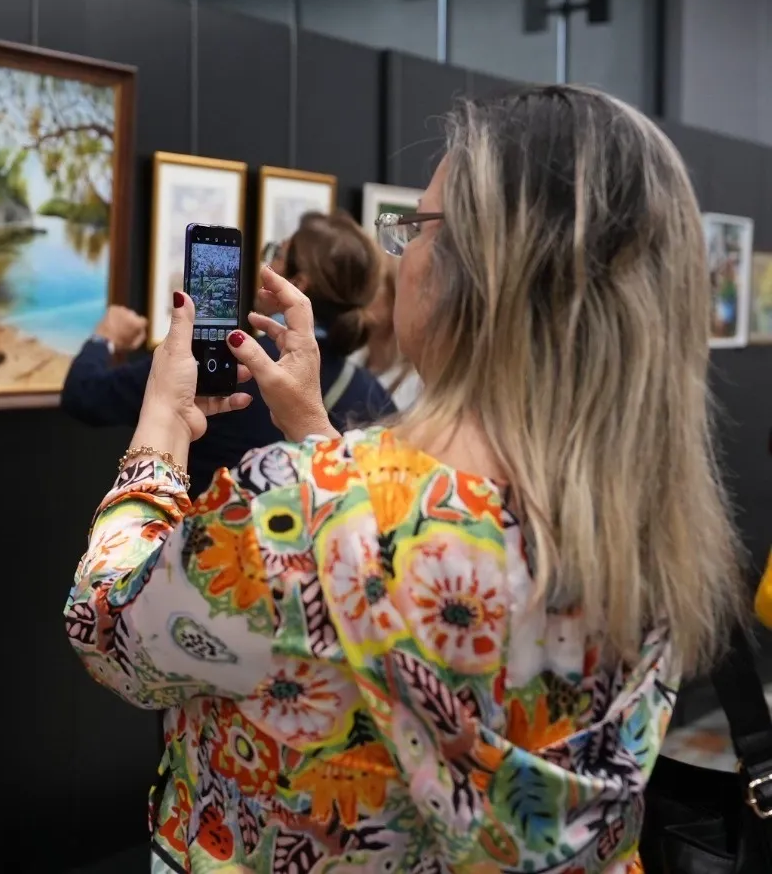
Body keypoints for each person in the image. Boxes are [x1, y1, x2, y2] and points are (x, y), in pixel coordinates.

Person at [64, 85, 741, 873]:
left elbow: (106, 626)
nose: (403, 257)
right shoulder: (649, 523)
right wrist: (317, 435)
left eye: (415, 227)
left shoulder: (297, 511)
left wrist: (161, 427)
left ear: (478, 268)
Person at [63, 210, 395, 492]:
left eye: (276, 253)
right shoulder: (377, 398)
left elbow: (85, 395)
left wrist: (105, 338)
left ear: (299, 283)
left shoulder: (226, 362)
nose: (267, 262)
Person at [349, 265, 423, 409]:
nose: (360, 294)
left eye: (373, 286)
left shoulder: (416, 382)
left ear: (396, 296)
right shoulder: (351, 358)